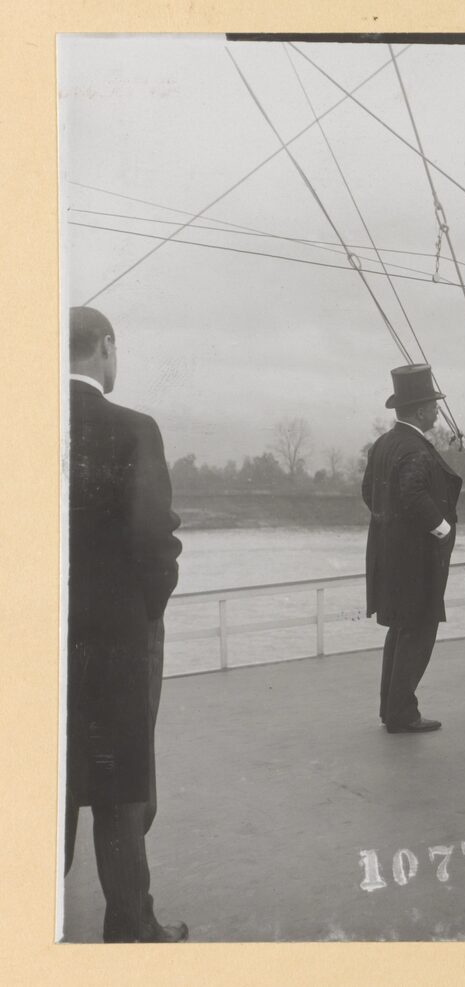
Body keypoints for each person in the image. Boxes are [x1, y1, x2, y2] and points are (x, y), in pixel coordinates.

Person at [66, 305, 187, 942]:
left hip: (37, 640)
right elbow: (152, 537)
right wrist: (147, 609)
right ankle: (131, 926)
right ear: (105, 348)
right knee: (121, 781)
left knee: (48, 778)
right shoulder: (134, 428)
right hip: (118, 636)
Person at [363, 365, 461, 733]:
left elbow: (368, 492)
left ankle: (392, 710)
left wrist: (390, 527)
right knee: (418, 631)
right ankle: (403, 713)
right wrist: (442, 528)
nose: (437, 411)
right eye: (434, 406)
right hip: (416, 561)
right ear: (420, 411)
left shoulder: (384, 444)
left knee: (400, 631)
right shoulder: (415, 447)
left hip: (388, 557)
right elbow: (413, 493)